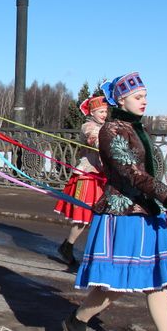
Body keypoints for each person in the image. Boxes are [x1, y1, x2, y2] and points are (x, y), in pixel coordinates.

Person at [62, 72, 167, 331]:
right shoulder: (111, 130)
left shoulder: (137, 128)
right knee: (114, 285)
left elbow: (151, 172)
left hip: (148, 212)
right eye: (138, 97)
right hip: (123, 213)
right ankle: (77, 319)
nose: (144, 101)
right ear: (121, 99)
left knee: (157, 281)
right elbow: (131, 173)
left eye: (145, 96)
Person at [54, 96, 108, 265]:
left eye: (106, 111)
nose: (104, 114)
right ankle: (68, 246)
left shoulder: (104, 127)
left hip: (100, 175)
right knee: (84, 215)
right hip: (87, 175)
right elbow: (95, 140)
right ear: (92, 112)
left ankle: (85, 250)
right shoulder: (89, 126)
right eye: (101, 111)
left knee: (99, 215)